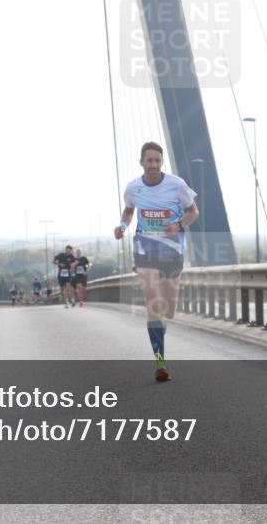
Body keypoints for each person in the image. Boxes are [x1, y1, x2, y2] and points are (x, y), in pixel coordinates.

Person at [114, 142, 198, 382]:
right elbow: (129, 211)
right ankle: (160, 361)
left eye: (157, 161)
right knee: (152, 302)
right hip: (145, 251)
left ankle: (162, 321)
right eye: (148, 161)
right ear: (141, 162)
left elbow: (194, 211)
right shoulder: (133, 188)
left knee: (168, 310)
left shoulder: (177, 185)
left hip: (172, 253)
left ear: (162, 162)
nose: (153, 165)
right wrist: (122, 226)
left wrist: (179, 225)